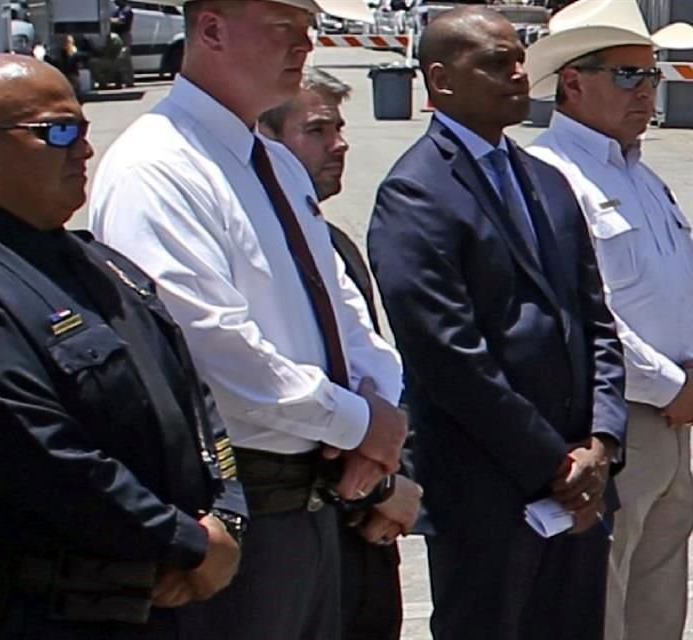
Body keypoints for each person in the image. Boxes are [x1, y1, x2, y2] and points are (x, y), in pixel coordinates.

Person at [0, 53, 245, 639]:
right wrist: (188, 541)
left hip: (158, 599)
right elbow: (48, 465)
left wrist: (226, 517)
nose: (84, 149)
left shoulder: (97, 264)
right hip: (45, 615)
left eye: (82, 128)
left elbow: (194, 406)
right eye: (58, 131)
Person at [89, 1, 407, 638]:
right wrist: (359, 423)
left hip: (316, 497)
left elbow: (342, 308)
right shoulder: (158, 167)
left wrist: (378, 409)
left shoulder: (276, 163)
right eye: (283, 28)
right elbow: (214, 352)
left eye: (308, 29)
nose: (306, 46)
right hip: (244, 503)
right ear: (210, 30)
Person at [366, 7, 627, 640]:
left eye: (520, 56)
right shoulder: (417, 192)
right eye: (495, 61)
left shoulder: (547, 182)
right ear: (440, 80)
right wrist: (552, 463)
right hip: (489, 494)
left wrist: (602, 441)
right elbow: (448, 356)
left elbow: (595, 318)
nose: (517, 72)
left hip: (580, 491)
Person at [525, 1, 693, 638]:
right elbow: (576, 312)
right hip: (616, 418)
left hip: (674, 421)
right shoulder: (550, 174)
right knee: (603, 596)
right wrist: (670, 387)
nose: (647, 91)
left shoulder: (644, 176)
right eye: (628, 75)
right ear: (573, 81)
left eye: (653, 76)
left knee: (658, 594)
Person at [258, 66, 421, 640]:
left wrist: (389, 476)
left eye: (341, 128)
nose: (341, 144)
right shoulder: (259, 253)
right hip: (304, 525)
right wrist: (376, 488)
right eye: (319, 131)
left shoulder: (332, 241)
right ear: (267, 141)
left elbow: (372, 369)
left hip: (366, 535)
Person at [110, 0, 135, 87]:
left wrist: (109, 20)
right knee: (118, 59)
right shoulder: (118, 10)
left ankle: (129, 81)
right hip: (118, 35)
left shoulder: (126, 10)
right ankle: (120, 81)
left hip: (124, 35)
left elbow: (121, 21)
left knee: (124, 58)